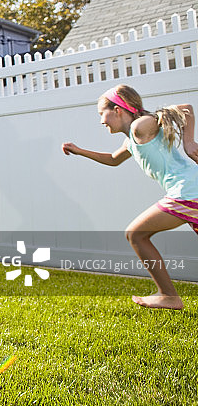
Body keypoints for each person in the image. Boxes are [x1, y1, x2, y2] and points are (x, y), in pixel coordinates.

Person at [62, 84, 198, 310]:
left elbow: (185, 109)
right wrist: (80, 151)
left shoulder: (139, 126)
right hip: (190, 190)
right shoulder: (132, 139)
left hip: (188, 191)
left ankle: (168, 296)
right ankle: (168, 295)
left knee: (135, 234)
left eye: (101, 113)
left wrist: (189, 141)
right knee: (136, 234)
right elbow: (113, 159)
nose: (100, 121)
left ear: (118, 110)